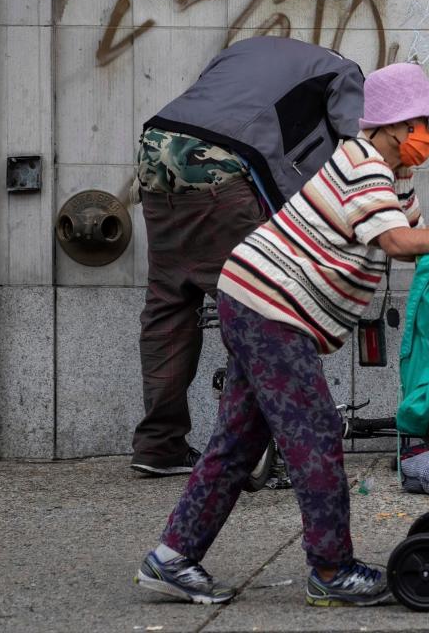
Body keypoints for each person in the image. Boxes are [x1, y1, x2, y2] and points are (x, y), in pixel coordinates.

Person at [135, 62, 429, 607]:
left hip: (254, 300)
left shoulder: (390, 178)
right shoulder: (363, 165)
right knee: (315, 437)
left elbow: (416, 238)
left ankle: (171, 559)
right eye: (424, 122)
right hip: (270, 308)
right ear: (392, 126)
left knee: (236, 442)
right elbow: (396, 243)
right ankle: (332, 569)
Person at [131, 36, 364, 476]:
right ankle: (254, 446)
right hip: (220, 165)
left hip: (156, 150)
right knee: (259, 307)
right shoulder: (344, 72)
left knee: (170, 301)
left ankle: (157, 446)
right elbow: (356, 148)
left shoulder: (245, 48)